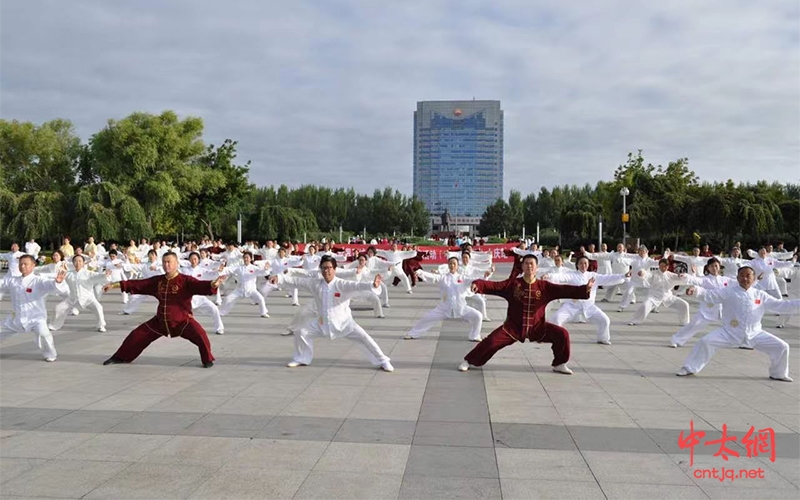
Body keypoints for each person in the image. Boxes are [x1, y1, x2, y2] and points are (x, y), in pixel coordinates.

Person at [458, 254, 592, 374]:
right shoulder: (513, 285)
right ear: (522, 267)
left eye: (532, 264)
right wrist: (478, 284)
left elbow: (564, 290)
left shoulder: (544, 287)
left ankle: (559, 363)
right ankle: (469, 361)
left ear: (536, 267)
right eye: (526, 263)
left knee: (562, 334)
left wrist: (584, 289)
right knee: (492, 342)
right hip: (513, 327)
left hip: (537, 327)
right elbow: (494, 286)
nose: (529, 266)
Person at [101, 252, 226, 368]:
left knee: (201, 335)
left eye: (169, 262)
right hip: (160, 322)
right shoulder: (158, 281)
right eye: (164, 262)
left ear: (177, 263)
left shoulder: (185, 280)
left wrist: (213, 284)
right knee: (136, 335)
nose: (167, 265)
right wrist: (114, 285)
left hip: (183, 321)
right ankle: (120, 357)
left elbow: (200, 285)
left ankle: (207, 359)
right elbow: (138, 284)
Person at [269, 255, 393, 371]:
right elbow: (296, 281)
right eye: (323, 268)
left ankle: (383, 360)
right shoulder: (315, 284)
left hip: (345, 324)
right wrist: (279, 278)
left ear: (334, 269)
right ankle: (301, 358)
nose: (326, 271)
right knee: (301, 332)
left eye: (329, 268)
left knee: (365, 338)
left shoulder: (342, 284)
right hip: (321, 323)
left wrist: (373, 285)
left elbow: (357, 286)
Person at [677, 265, 799, 381]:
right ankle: (689, 368)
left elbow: (781, 305)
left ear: (754, 278)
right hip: (729, 332)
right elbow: (710, 295)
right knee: (705, 342)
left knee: (782, 347)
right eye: (741, 275)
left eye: (748, 276)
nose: (744, 278)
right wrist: (696, 290)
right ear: (737, 277)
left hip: (755, 334)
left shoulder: (760, 294)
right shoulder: (728, 291)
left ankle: (778, 374)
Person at [543, 256, 628, 345]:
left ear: (588, 265)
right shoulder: (572, 274)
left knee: (605, 320)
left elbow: (607, 278)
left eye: (585, 263)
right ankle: (552, 337)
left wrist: (623, 276)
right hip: (572, 305)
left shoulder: (593, 276)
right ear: (577, 265)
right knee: (556, 318)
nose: (583, 265)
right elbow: (561, 277)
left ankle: (602, 338)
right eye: (581, 263)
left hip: (589, 306)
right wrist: (549, 276)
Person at [0, 255, 68, 361]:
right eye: (20, 264)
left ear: (33, 266)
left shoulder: (38, 281)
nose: (22, 266)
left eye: (25, 264)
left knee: (44, 334)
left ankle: (50, 354)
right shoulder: (12, 281)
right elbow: (1, 283)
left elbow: (50, 285)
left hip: (36, 318)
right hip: (16, 318)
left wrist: (58, 282)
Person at [405, 256, 488, 342]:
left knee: (478, 316)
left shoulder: (462, 278)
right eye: (450, 264)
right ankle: (412, 334)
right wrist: (421, 272)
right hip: (444, 308)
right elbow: (433, 276)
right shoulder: (443, 278)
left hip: (461, 307)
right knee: (427, 318)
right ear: (448, 265)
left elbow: (474, 280)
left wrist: (484, 276)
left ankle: (474, 336)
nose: (452, 265)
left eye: (454, 264)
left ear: (457, 266)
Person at [669, 258, 734, 347]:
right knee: (694, 325)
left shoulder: (726, 280)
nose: (714, 268)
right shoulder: (705, 279)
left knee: (736, 324)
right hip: (708, 309)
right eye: (712, 266)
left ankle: (743, 341)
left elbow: (739, 283)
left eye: (716, 266)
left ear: (719, 267)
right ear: (708, 268)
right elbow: (695, 280)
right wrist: (685, 277)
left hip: (724, 309)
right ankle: (676, 340)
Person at [49, 255, 112, 333]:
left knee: (98, 308)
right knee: (58, 308)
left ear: (83, 263)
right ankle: (54, 325)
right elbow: (55, 277)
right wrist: (57, 280)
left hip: (88, 299)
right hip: (72, 299)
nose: (77, 263)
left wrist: (105, 275)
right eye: (75, 261)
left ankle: (101, 326)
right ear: (73, 263)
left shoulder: (89, 273)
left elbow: (98, 276)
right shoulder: (68, 274)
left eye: (80, 261)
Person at [627, 258, 689, 326]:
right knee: (644, 306)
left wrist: (682, 275)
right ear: (658, 266)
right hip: (654, 296)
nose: (663, 268)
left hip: (667, 297)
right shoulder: (654, 273)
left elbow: (681, 278)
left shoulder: (670, 275)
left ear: (667, 267)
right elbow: (647, 275)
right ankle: (634, 320)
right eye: (661, 266)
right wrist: (642, 273)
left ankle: (685, 322)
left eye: (665, 266)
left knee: (684, 304)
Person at [218, 251, 271, 318]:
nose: (246, 259)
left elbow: (262, 272)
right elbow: (229, 269)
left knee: (260, 299)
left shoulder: (254, 268)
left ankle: (263, 313)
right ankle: (222, 312)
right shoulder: (239, 267)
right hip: (239, 290)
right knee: (228, 299)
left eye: (247, 257)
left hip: (251, 290)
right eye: (244, 257)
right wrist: (221, 269)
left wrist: (266, 269)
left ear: (251, 259)